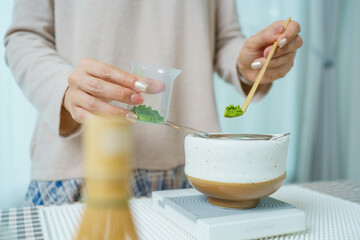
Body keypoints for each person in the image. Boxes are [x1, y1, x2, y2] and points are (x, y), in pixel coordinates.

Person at [4, 0, 302, 206]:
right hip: (80, 167)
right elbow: (24, 36)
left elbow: (222, 38)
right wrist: (66, 90)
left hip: (190, 171)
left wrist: (249, 64)